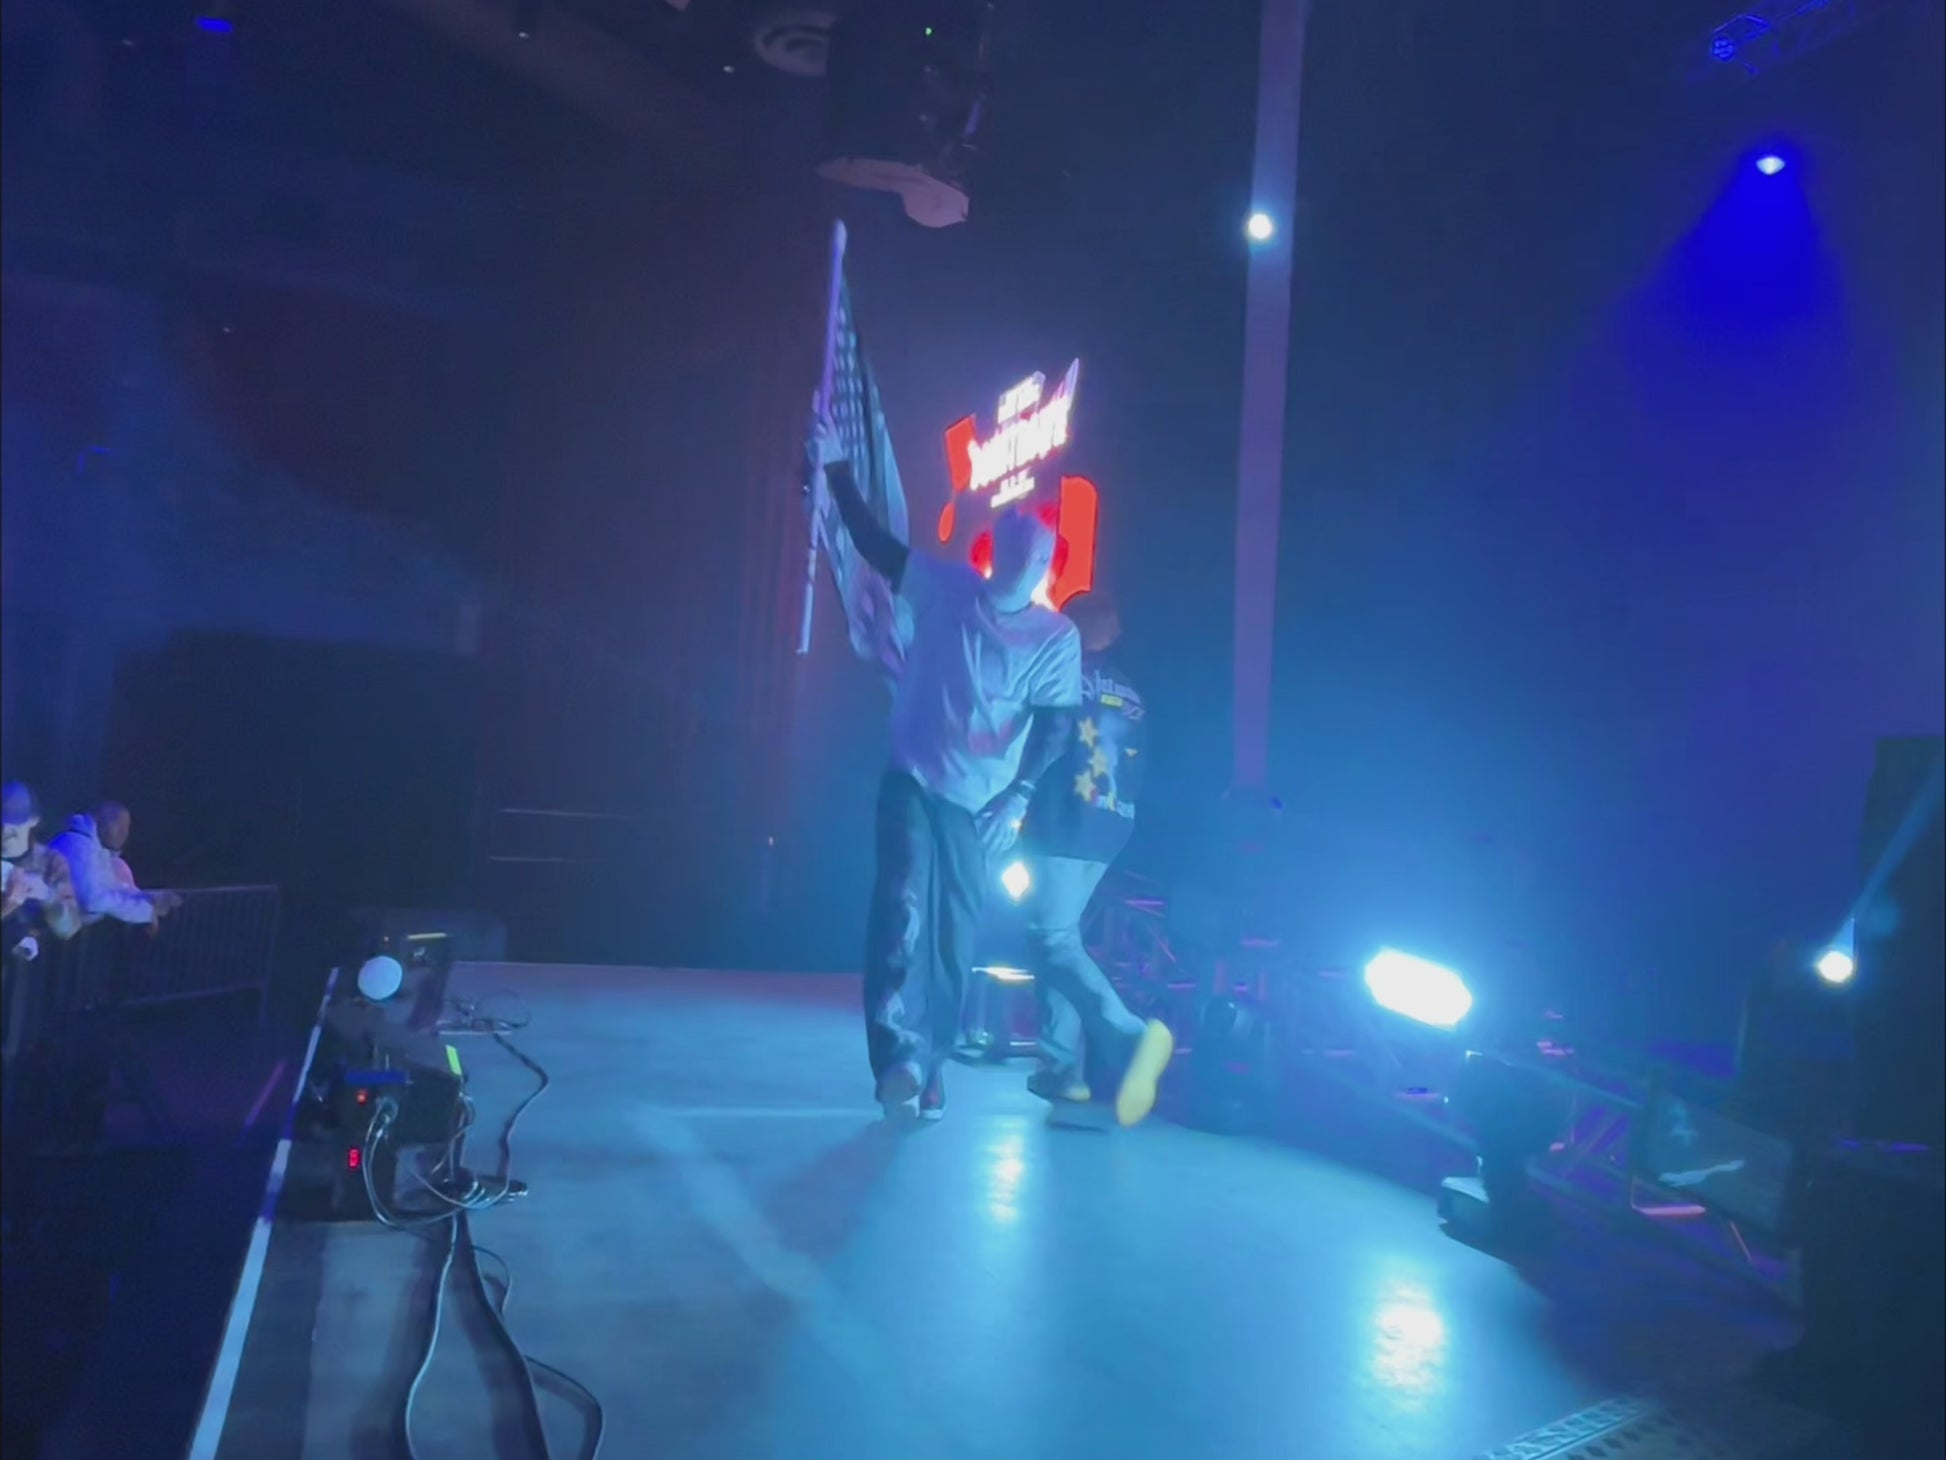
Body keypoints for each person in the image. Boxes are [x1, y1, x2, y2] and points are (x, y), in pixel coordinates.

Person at [811, 411, 1080, 1121]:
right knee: (901, 903)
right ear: (993, 557)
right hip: (913, 777)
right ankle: (897, 1055)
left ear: (1041, 571)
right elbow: (874, 542)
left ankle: (932, 1065)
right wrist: (835, 467)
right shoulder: (946, 587)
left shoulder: (1056, 638)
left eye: (1026, 561)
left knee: (955, 936)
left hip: (980, 804)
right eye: (1006, 555)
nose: (1012, 569)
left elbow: (1055, 725)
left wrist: (1018, 796)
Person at [1017, 591, 1174, 1125]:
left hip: (1063, 820)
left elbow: (1050, 738)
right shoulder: (1130, 691)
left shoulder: (1060, 675)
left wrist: (1019, 793)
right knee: (1060, 938)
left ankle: (1132, 1037)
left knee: (1049, 940)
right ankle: (1062, 1069)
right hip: (1112, 825)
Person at [49, 802, 180, 929]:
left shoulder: (100, 852)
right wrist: (147, 911)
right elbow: (92, 900)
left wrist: (152, 899)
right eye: (118, 824)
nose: (124, 833)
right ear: (97, 821)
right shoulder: (77, 845)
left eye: (126, 827)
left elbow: (116, 892)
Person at [3, 781, 82, 957]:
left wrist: (47, 896)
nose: (5, 829)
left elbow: (69, 928)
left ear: (33, 820)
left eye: (15, 821)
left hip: (31, 969)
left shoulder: (50, 863)